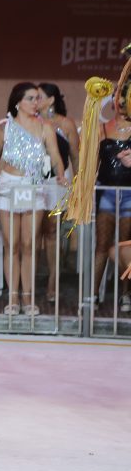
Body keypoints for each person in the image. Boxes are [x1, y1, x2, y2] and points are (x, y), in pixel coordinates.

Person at [0, 83, 66, 315]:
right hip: (9, 185)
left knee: (30, 245)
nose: (35, 102)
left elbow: (55, 156)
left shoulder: (46, 127)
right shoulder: (4, 128)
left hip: (34, 187)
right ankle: (13, 298)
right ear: (18, 102)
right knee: (11, 244)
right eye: (30, 98)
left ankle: (28, 299)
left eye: (37, 98)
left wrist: (61, 175)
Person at [37, 82, 80, 302]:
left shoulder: (66, 124)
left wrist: (80, 185)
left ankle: (53, 282)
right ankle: (30, 280)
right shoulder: (31, 123)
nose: (36, 100)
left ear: (51, 99)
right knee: (35, 231)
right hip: (34, 182)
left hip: (58, 183)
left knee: (53, 232)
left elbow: (75, 156)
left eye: (39, 96)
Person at [93, 83, 131, 311]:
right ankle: (92, 295)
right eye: (118, 97)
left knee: (126, 244)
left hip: (130, 193)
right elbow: (91, 164)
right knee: (102, 243)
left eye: (125, 96)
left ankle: (126, 294)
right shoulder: (102, 128)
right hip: (106, 191)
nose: (122, 101)